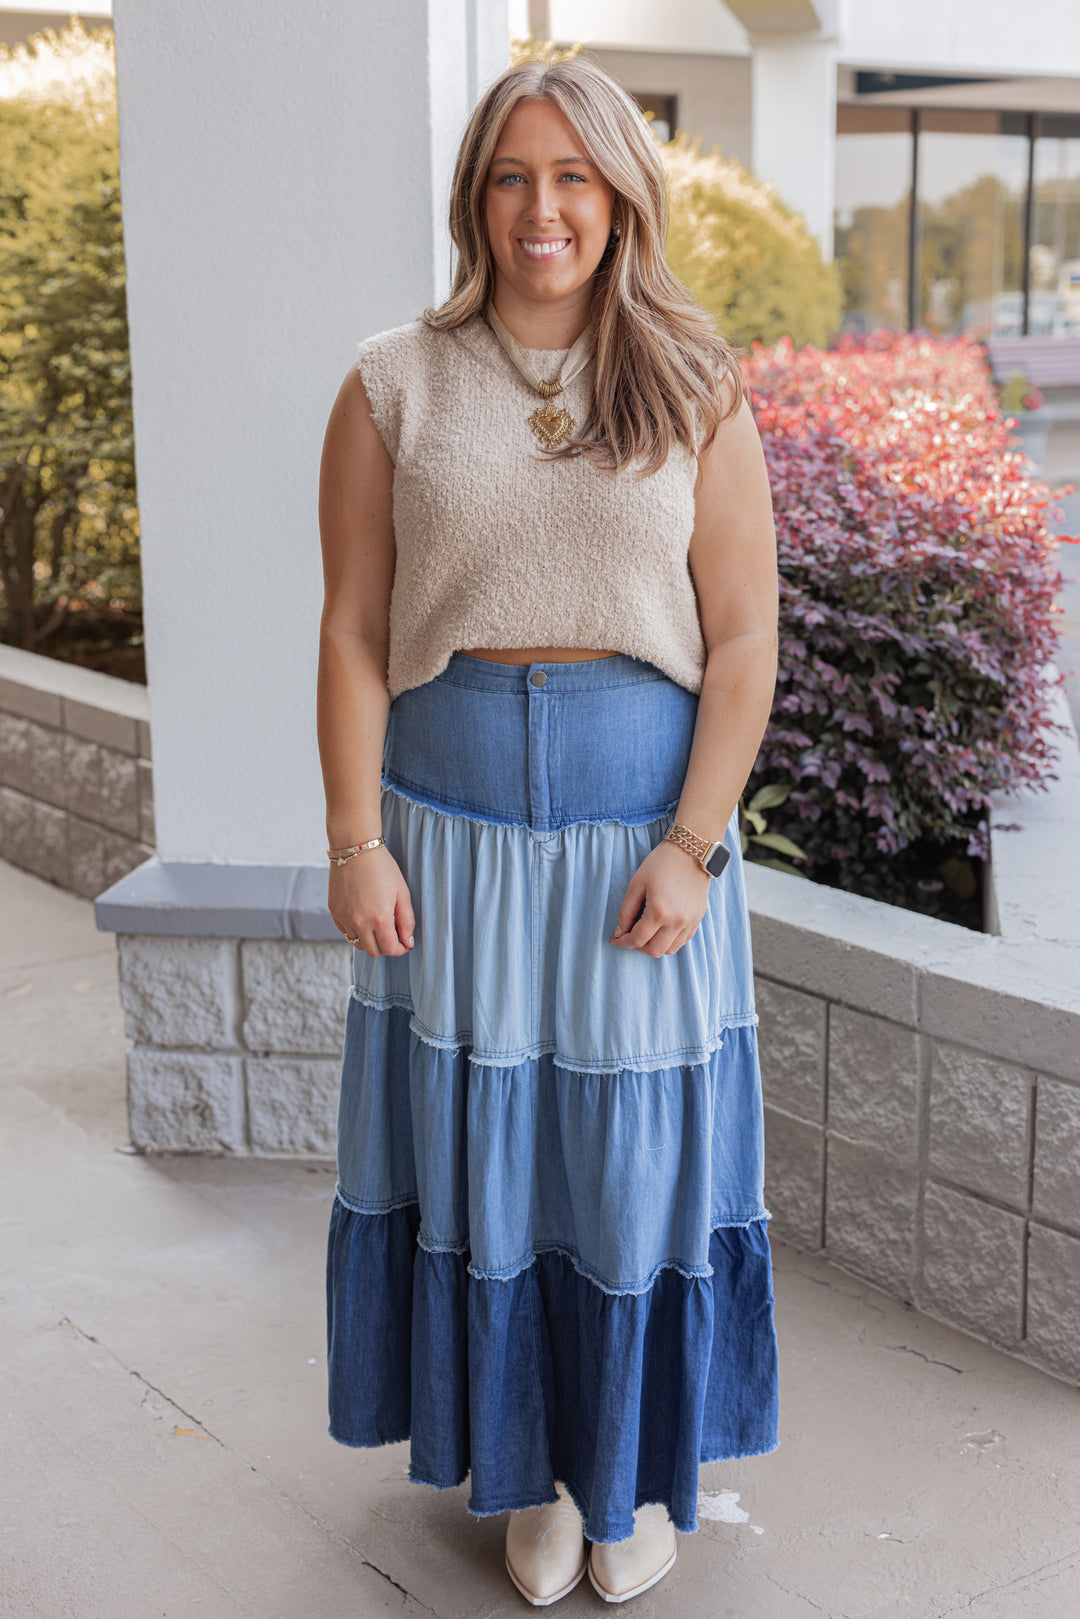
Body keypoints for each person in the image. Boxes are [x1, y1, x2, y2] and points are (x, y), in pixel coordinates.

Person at [316, 53, 780, 1607]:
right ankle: (527, 1471)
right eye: (514, 177)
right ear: (476, 199)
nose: (544, 209)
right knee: (492, 1167)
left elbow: (744, 642)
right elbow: (353, 628)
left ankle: (627, 1473)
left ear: (621, 197)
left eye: (574, 176)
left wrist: (694, 846)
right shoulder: (393, 382)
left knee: (627, 1171)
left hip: (639, 839)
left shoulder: (694, 381)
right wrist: (353, 840)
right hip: (446, 841)